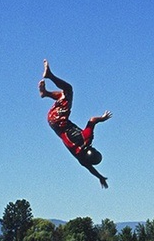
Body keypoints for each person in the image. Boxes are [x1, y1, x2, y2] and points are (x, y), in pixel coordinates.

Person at [38, 59, 112, 189]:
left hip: (58, 118)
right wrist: (100, 177)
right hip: (52, 121)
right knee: (62, 96)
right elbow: (90, 168)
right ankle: (46, 93)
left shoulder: (86, 139)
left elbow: (92, 120)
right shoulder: (80, 156)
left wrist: (103, 118)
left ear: (92, 149)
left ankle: (49, 75)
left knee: (68, 90)